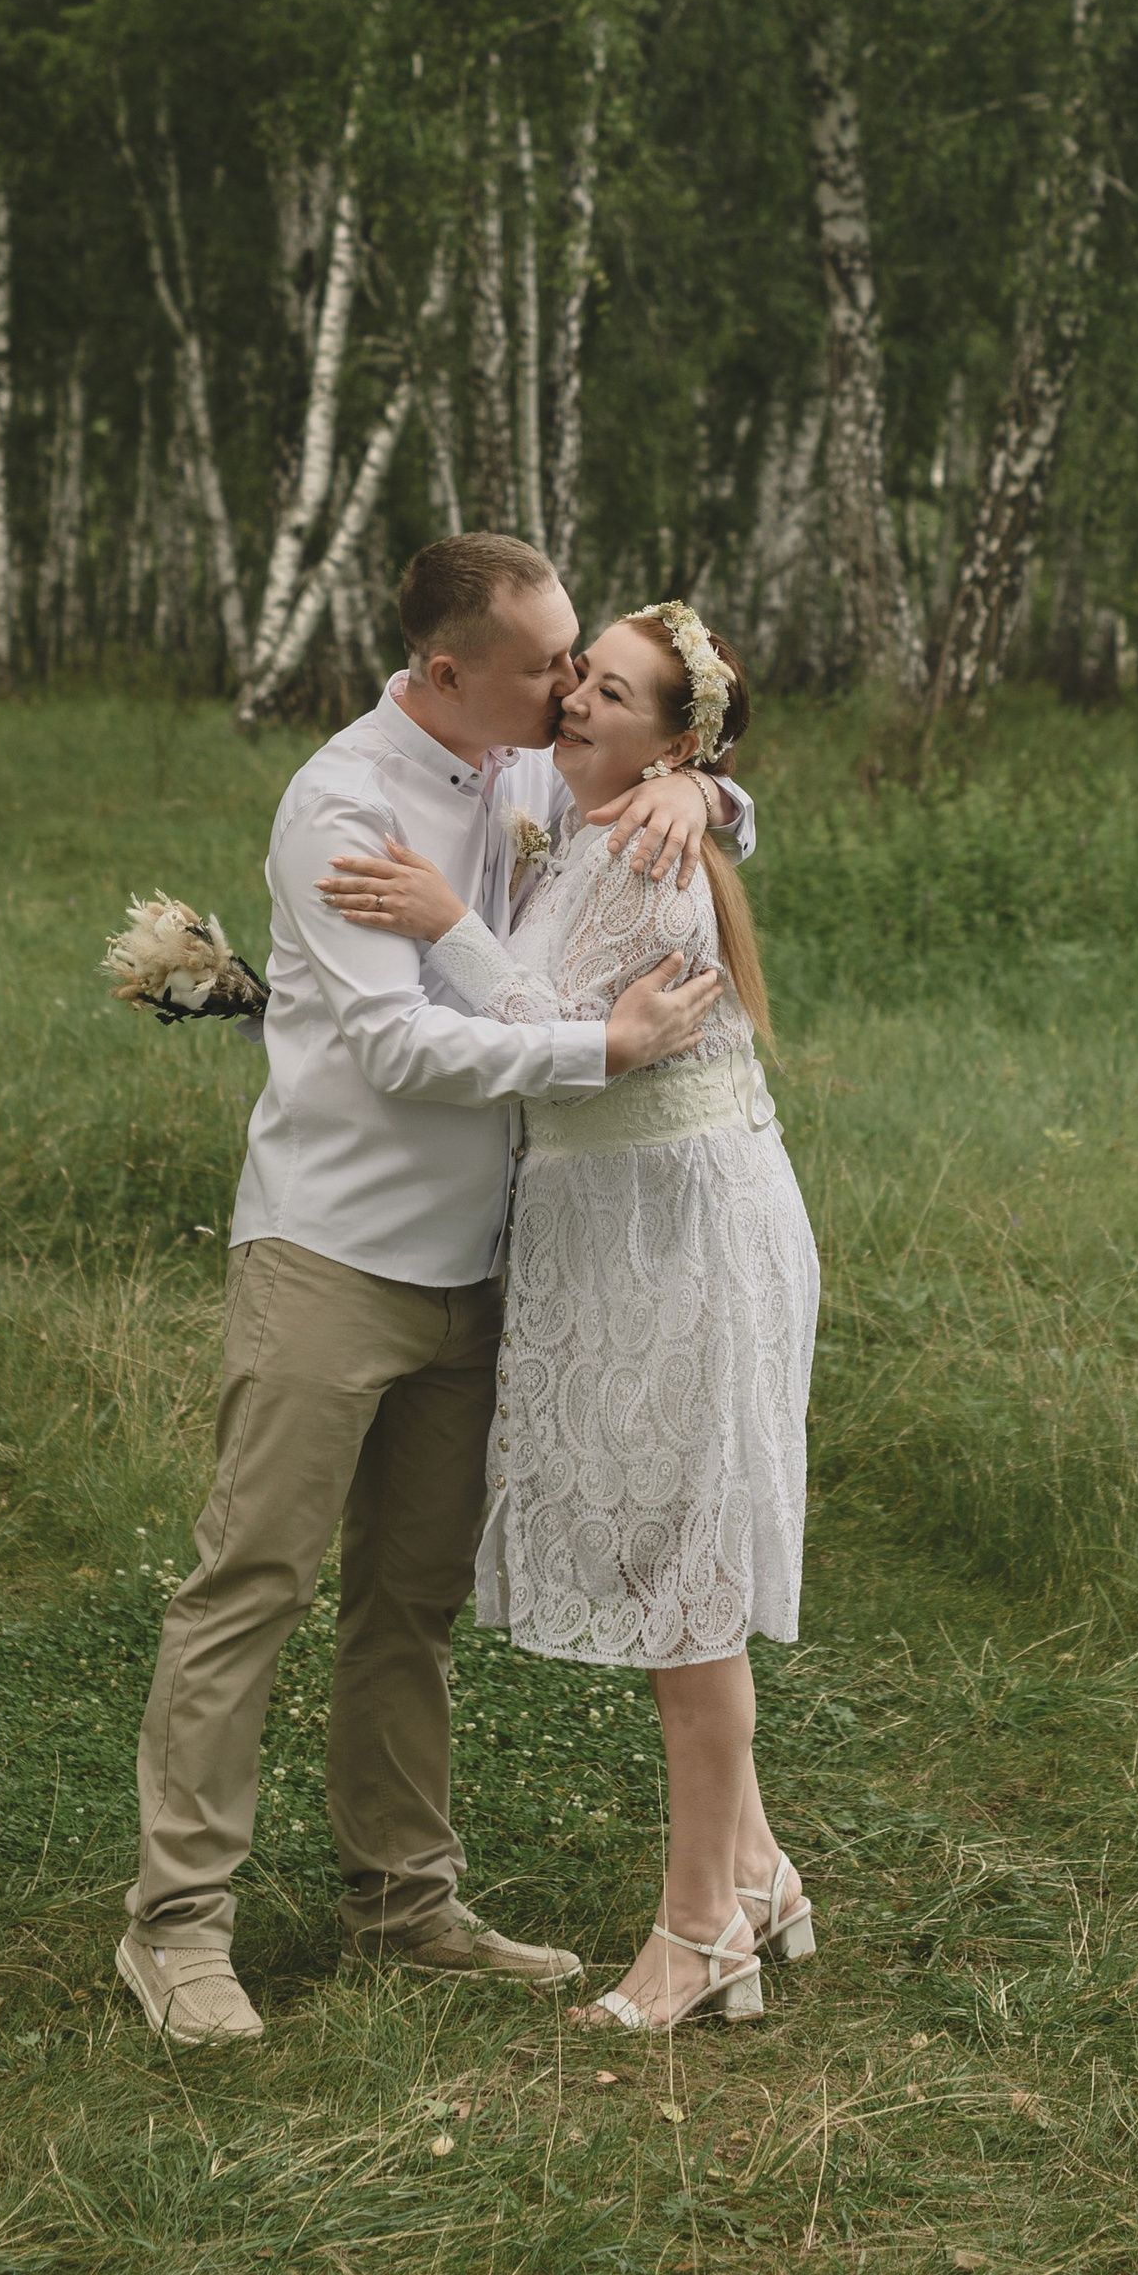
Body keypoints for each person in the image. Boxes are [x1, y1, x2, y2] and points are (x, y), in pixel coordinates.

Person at [118, 533, 754, 2045]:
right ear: (449, 672)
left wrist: (705, 784)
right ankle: (176, 1931)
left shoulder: (528, 760)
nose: (567, 691)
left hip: (484, 1268)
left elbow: (646, 796)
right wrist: (604, 1051)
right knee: (251, 1585)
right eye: (546, 668)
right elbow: (404, 1049)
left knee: (409, 1602)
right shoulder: (342, 803)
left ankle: (404, 1903)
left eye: (577, 671)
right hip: (333, 1254)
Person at [319, 601, 817, 2039]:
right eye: (579, 676)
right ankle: (762, 1871)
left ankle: (699, 1928)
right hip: (629, 1223)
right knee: (677, 1547)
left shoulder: (652, 855)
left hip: (684, 1230)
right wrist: (699, 779)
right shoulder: (603, 812)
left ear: (673, 736)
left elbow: (546, 1033)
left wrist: (444, 925)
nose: (578, 702)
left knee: (686, 1579)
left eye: (615, 693)